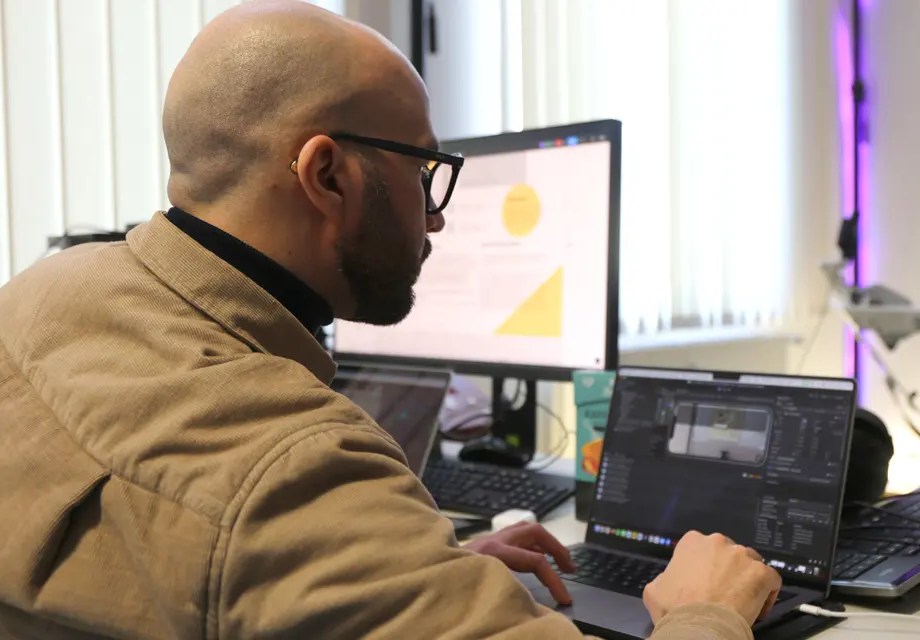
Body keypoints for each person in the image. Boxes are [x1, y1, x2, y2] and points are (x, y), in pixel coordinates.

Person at [0, 1, 780, 638]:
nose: (435, 221)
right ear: (326, 175)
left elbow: (181, 560)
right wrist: (707, 611)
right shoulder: (298, 468)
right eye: (424, 171)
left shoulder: (40, 295)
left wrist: (413, 571)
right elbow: (261, 518)